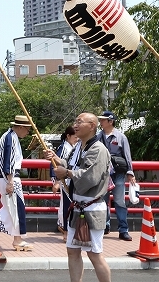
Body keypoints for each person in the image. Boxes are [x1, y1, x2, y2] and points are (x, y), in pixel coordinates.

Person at [45, 113, 112, 282]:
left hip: (92, 207)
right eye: (75, 121)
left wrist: (66, 173)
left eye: (79, 122)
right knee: (72, 251)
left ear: (92, 126)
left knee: (94, 254)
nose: (75, 124)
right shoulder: (78, 147)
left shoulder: (98, 149)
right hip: (78, 207)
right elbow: (70, 165)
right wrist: (56, 159)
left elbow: (90, 176)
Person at [0, 114, 33, 250]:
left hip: (7, 177)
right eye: (28, 129)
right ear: (21, 127)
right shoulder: (11, 138)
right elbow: (9, 162)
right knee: (15, 207)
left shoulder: (10, 136)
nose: (28, 133)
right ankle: (16, 238)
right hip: (9, 177)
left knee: (12, 207)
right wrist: (10, 182)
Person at [98, 110, 135, 241]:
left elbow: (127, 155)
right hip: (103, 174)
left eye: (103, 120)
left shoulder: (121, 137)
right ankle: (104, 226)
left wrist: (130, 173)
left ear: (110, 121)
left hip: (118, 173)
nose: (100, 122)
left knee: (119, 201)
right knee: (102, 201)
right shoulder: (98, 137)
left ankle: (123, 230)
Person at [52, 125, 78, 241]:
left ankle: (67, 229)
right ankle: (66, 232)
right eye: (75, 136)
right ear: (68, 136)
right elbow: (57, 165)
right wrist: (57, 181)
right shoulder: (64, 148)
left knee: (68, 206)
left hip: (70, 179)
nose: (76, 138)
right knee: (67, 206)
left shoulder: (73, 147)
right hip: (65, 180)